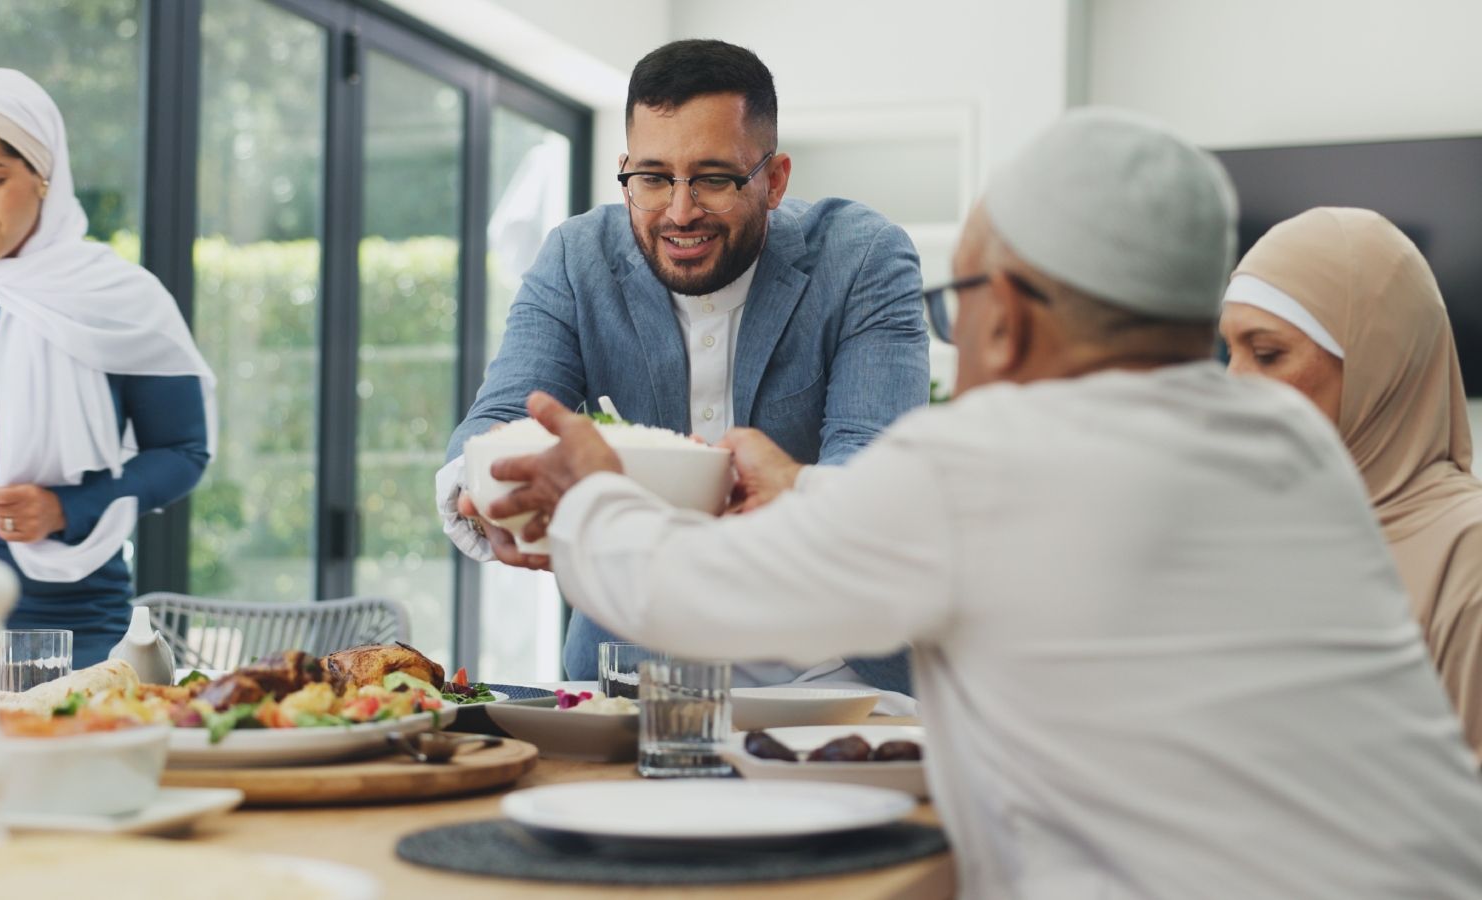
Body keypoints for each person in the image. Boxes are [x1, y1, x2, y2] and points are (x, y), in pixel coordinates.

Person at [479, 110, 1482, 898]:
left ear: (1012, 314)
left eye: (962, 290)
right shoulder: (1290, 454)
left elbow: (684, 596)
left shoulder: (992, 461)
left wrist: (593, 496)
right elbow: (1026, 545)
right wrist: (806, 492)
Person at [438, 40, 927, 694]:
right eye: (652, 177)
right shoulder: (576, 260)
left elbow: (871, 470)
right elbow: (494, 425)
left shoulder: (861, 258)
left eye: (714, 178)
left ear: (774, 179)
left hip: (836, 677)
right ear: (625, 170)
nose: (679, 211)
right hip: (631, 678)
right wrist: (487, 496)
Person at [0, 67, 216, 686]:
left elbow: (182, 449)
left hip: (76, 625)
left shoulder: (121, 299)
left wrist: (67, 507)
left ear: (43, 175)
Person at [1221, 207, 1482, 757]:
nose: (1232, 386)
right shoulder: (1261, 538)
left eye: (1267, 355)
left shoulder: (1467, 555)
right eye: (1230, 352)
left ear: (1375, 364)